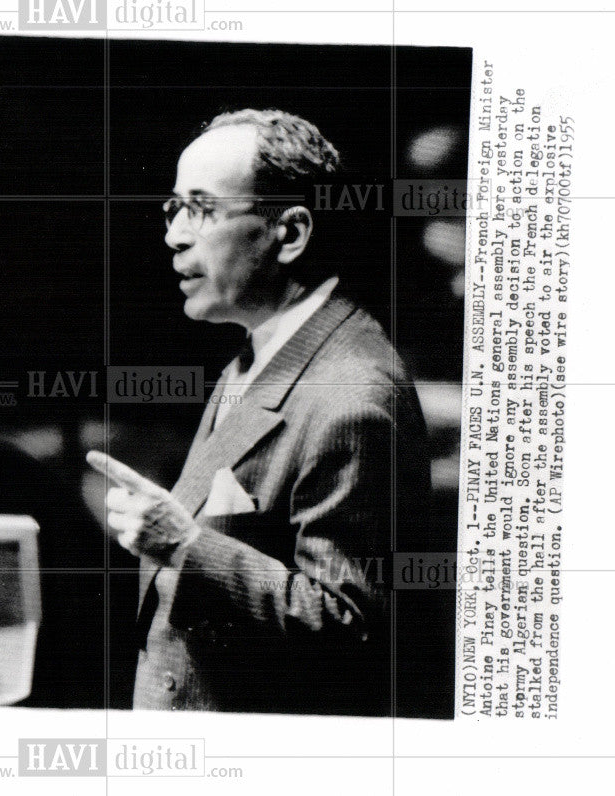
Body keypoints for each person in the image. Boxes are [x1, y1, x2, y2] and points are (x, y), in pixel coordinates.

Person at [89, 108, 430, 714]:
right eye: (174, 209)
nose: (174, 235)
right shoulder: (263, 348)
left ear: (291, 233)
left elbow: (350, 627)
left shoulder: (351, 397)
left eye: (202, 208)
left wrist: (186, 543)